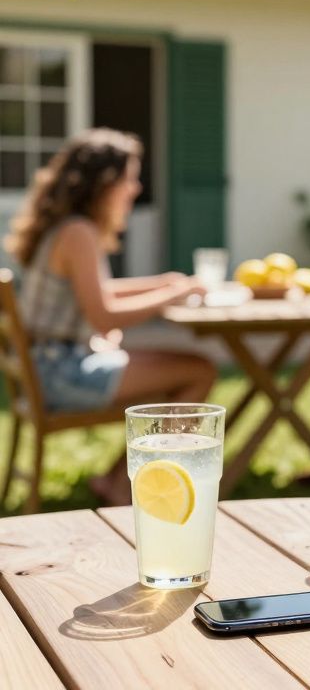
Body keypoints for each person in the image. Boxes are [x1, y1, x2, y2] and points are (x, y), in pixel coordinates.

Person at [5, 128, 217, 505]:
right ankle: (123, 487)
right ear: (105, 183)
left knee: (181, 377)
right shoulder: (78, 233)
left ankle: (115, 479)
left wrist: (162, 282)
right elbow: (104, 316)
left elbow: (98, 291)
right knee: (199, 372)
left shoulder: (65, 227)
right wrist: (173, 293)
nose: (135, 189)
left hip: (48, 365)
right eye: (130, 178)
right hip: (62, 372)